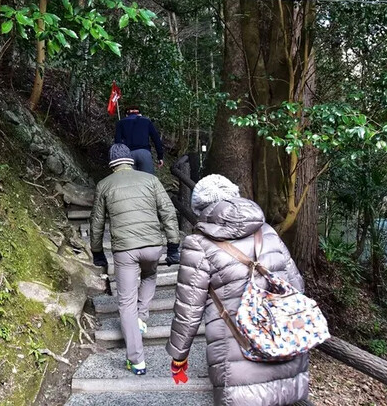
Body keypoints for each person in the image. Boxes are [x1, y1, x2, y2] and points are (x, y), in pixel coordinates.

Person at [166, 174, 309, 406]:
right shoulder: (267, 231)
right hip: (285, 346)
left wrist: (179, 356)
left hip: (237, 356)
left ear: (200, 209)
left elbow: (189, 309)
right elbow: (296, 285)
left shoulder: (198, 244)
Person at [91, 144, 182, 375]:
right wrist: (173, 244)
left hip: (125, 252)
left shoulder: (104, 185)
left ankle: (136, 360)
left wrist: (97, 251)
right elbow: (168, 211)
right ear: (130, 160)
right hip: (152, 247)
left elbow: (97, 222)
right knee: (150, 274)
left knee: (126, 302)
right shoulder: (150, 180)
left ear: (111, 163)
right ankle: (142, 316)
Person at [113, 106, 165, 174]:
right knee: (148, 180)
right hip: (144, 153)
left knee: (131, 181)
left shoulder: (120, 123)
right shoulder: (146, 121)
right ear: (139, 114)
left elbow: (117, 142)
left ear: (126, 114)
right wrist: (160, 156)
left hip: (128, 155)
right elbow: (156, 139)